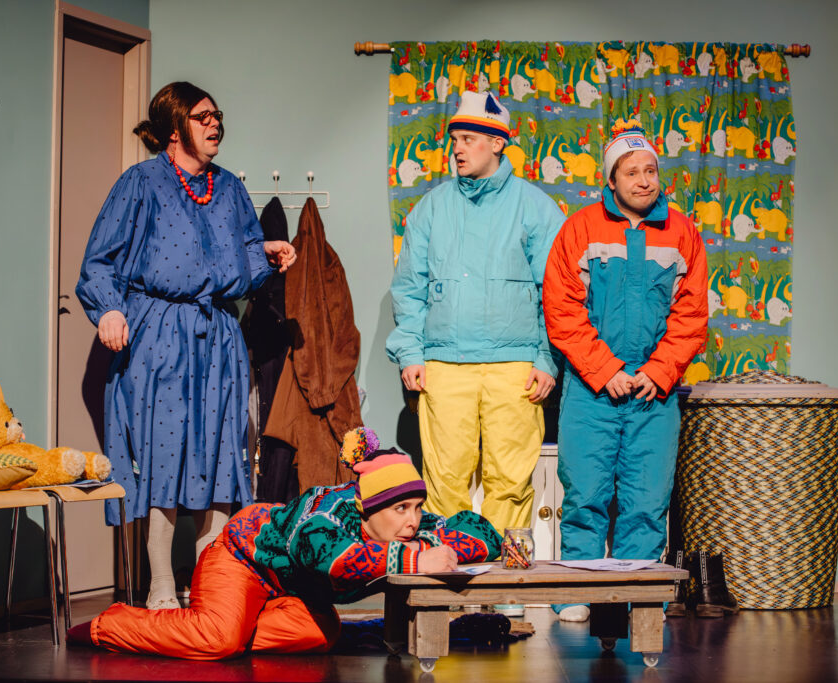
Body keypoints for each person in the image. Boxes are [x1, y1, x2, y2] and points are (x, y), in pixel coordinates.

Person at [76, 82, 296, 610]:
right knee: (164, 455)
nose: (215, 124)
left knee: (221, 457)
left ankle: (207, 584)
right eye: (203, 117)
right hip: (158, 333)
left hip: (218, 334)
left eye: (217, 115)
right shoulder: (140, 183)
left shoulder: (230, 188)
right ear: (175, 129)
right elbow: (99, 261)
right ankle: (159, 585)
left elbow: (245, 258)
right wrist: (109, 309)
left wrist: (266, 253)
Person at [67, 428, 501, 660]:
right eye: (401, 508)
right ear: (367, 508)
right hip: (241, 560)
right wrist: (418, 558)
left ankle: (240, 625)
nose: (413, 520)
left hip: (286, 592)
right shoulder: (326, 513)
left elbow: (480, 530)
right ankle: (111, 624)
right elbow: (333, 559)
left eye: (417, 507)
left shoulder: (404, 526)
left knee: (322, 634)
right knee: (218, 640)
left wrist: (449, 548)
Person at [542, 119, 708, 622]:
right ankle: (577, 591)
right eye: (631, 172)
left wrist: (658, 371)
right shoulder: (580, 228)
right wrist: (603, 369)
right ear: (611, 179)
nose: (643, 180)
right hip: (592, 390)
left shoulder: (682, 233)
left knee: (646, 499)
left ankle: (639, 595)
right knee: (585, 494)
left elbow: (691, 315)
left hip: (654, 393)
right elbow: (562, 309)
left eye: (650, 170)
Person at [386, 90, 564, 549]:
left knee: (511, 481)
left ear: (497, 143)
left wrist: (546, 358)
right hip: (444, 365)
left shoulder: (536, 207)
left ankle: (506, 581)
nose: (458, 149)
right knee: (444, 482)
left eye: (468, 139)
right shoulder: (432, 208)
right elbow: (409, 288)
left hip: (516, 366)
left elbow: (558, 292)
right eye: (455, 140)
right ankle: (452, 577)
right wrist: (410, 352)